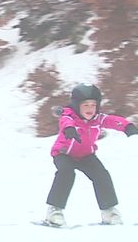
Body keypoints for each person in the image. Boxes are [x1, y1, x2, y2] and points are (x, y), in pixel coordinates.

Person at [44, 83, 138, 226]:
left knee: (101, 175)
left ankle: (109, 211)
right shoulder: (69, 116)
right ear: (77, 106)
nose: (90, 109)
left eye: (93, 105)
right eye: (85, 105)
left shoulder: (97, 119)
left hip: (86, 155)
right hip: (64, 154)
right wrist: (69, 129)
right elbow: (65, 122)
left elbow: (113, 120)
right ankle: (54, 211)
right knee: (66, 173)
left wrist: (126, 126)